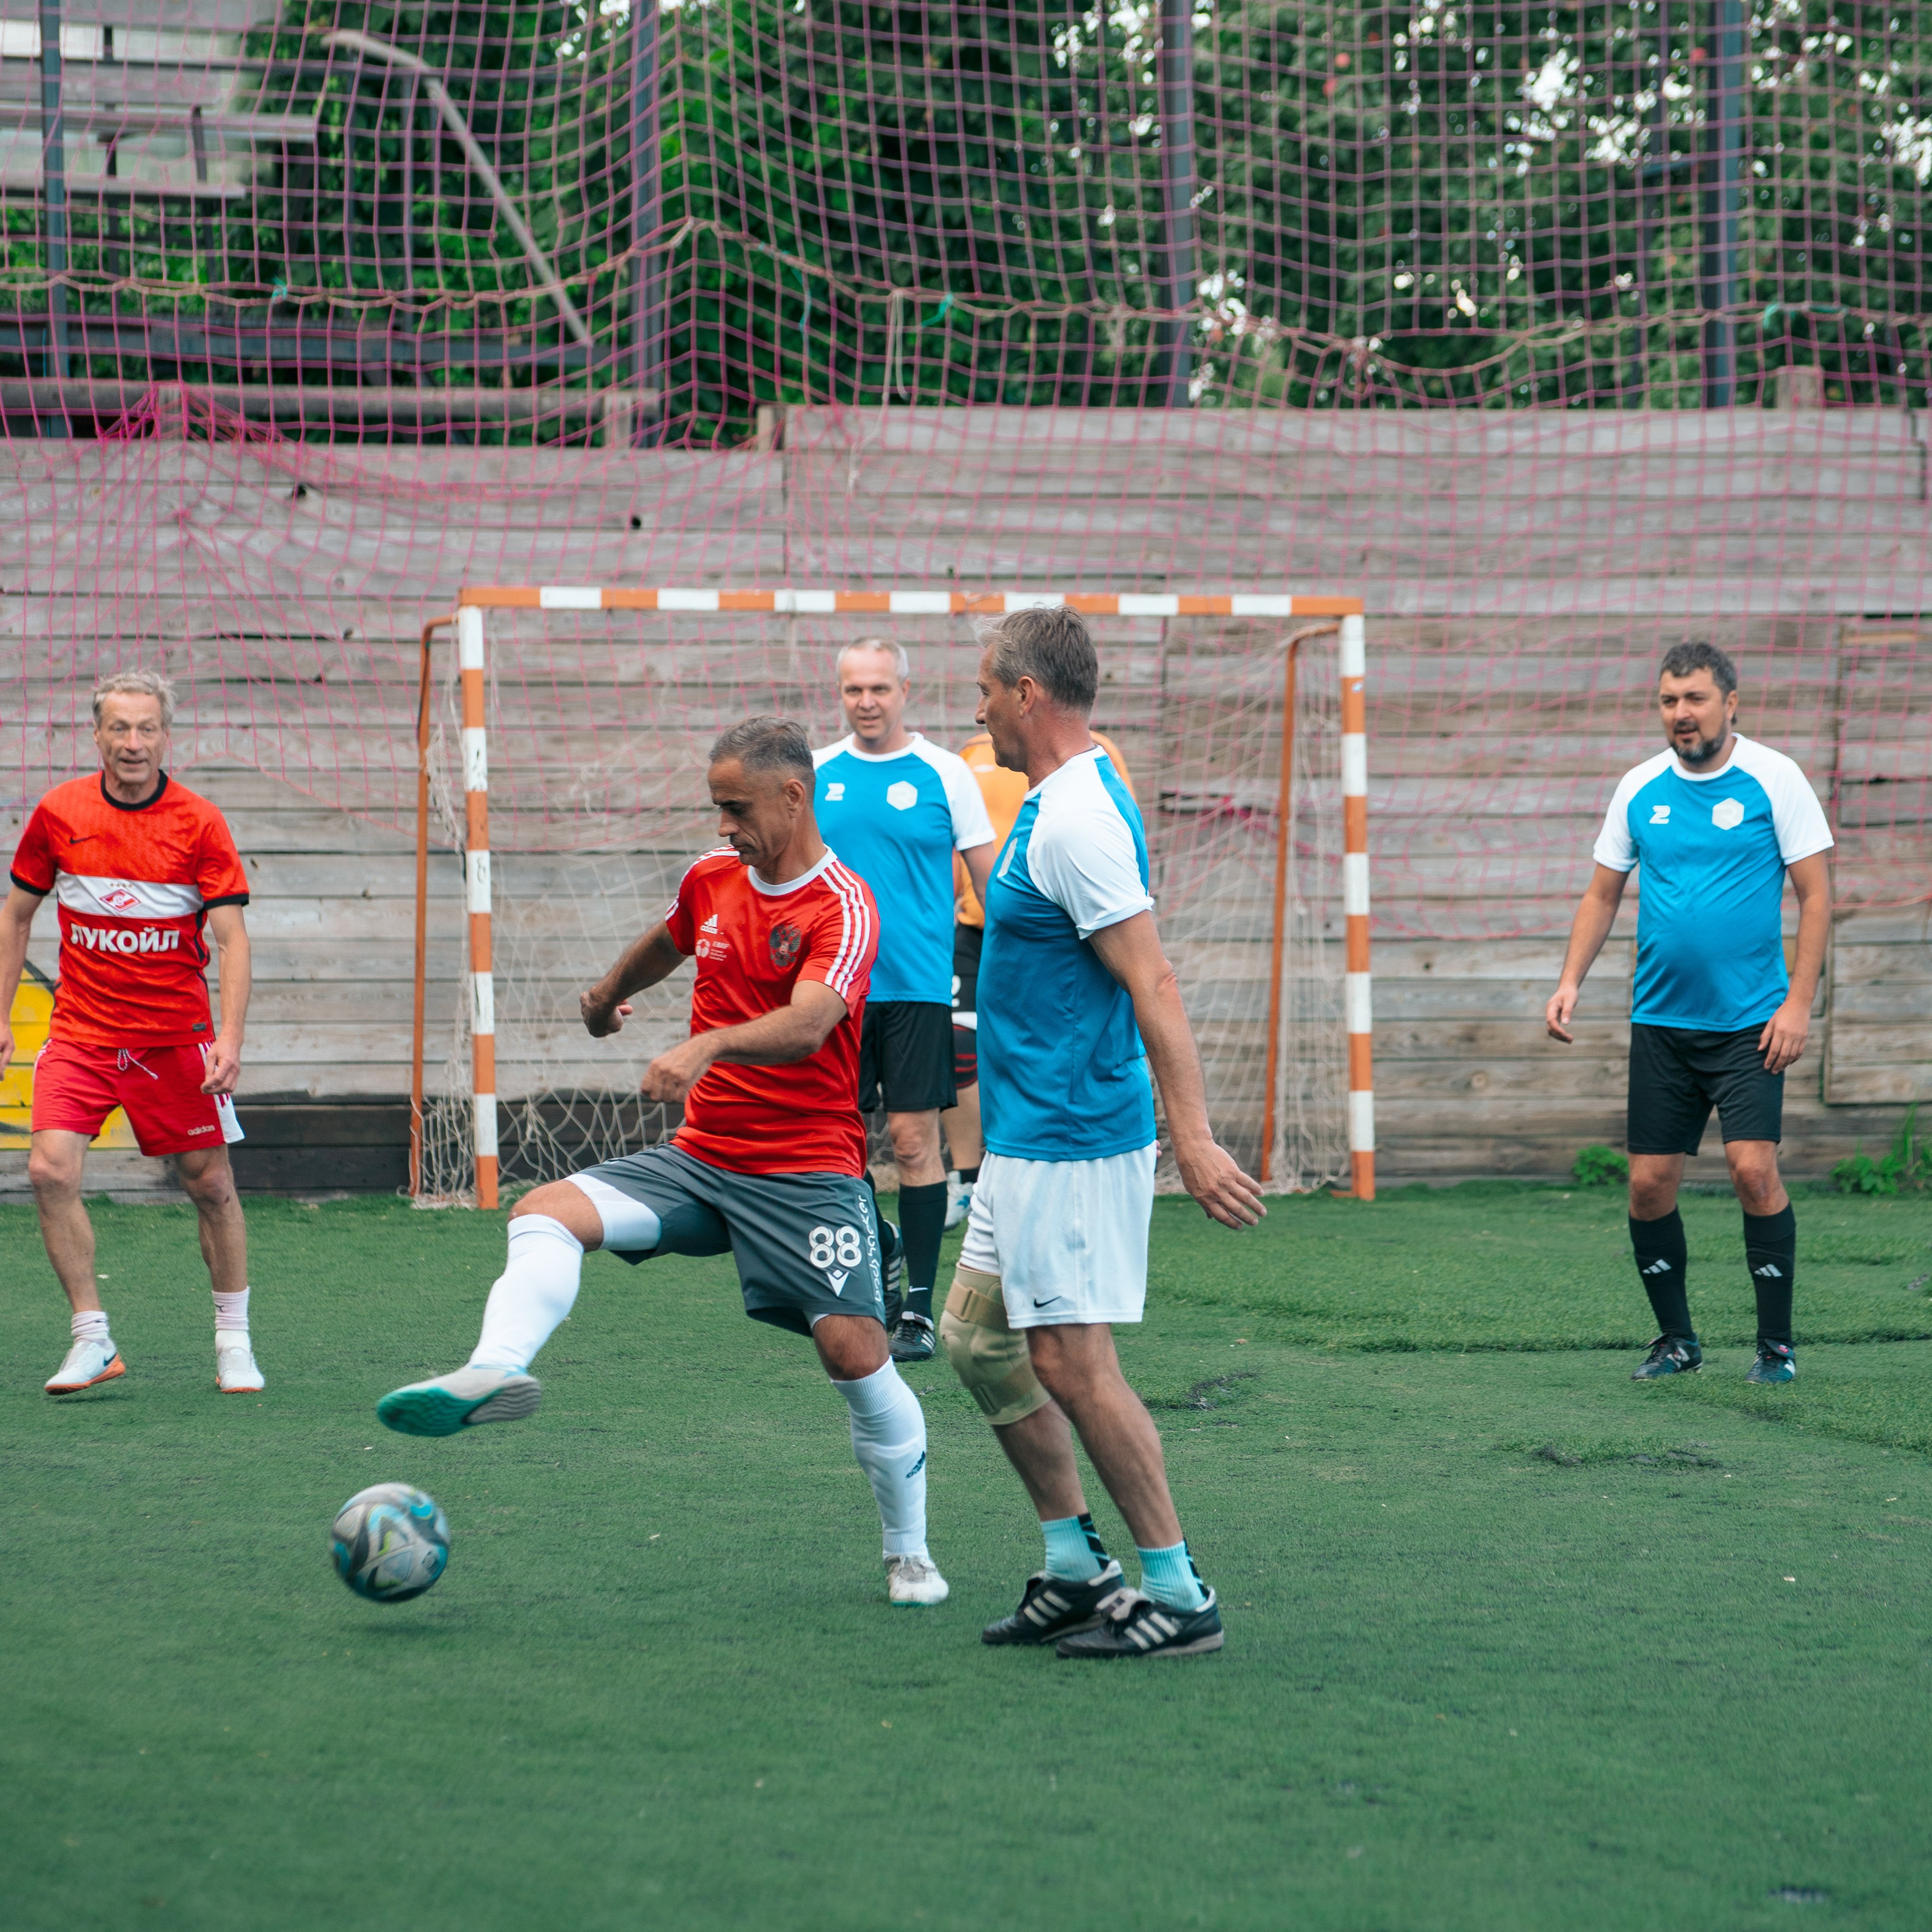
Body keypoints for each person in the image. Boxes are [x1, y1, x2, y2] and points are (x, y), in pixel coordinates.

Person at [377, 716, 949, 1607]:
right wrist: (608, 997)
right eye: (716, 807)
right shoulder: (712, 877)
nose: (723, 826)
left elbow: (811, 1024)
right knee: (544, 1211)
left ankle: (908, 1551)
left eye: (736, 807)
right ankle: (493, 1366)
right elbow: (670, 936)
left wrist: (707, 1047)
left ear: (792, 797)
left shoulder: (843, 902)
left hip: (807, 1173)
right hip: (701, 1159)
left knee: (854, 1356)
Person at [937, 607, 1265, 1660]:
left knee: (1076, 1364)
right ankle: (1078, 1568)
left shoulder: (1078, 817)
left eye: (987, 685)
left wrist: (1195, 1135)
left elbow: (1152, 977)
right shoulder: (1055, 800)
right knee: (978, 1341)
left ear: (1027, 694)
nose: (976, 703)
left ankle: (1178, 1591)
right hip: (1028, 1137)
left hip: (1073, 1139)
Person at [1546, 640, 1833, 1386]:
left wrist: (1798, 1004)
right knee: (1646, 1186)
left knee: (1752, 1170)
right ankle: (1675, 1340)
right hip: (1662, 1026)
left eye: (1695, 698)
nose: (1681, 713)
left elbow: (1817, 896)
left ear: (1729, 702)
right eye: (1669, 700)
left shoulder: (1776, 778)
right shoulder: (1640, 787)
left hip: (1751, 1025)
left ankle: (1775, 1347)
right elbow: (1601, 892)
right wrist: (1569, 978)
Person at [0, 669, 258, 1396]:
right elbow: (15, 915)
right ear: (98, 735)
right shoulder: (59, 813)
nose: (133, 742)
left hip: (175, 1040)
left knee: (209, 1185)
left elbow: (234, 940)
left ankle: (233, 1341)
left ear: (166, 736)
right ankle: (91, 1339)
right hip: (80, 1033)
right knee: (49, 1170)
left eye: (147, 728)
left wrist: (229, 1040)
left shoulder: (200, 822)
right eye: (120, 728)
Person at [814, 640, 995, 1365]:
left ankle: (916, 1311)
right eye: (854, 689)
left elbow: (993, 880)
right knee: (839, 1147)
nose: (866, 701)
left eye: (880, 688)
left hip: (919, 987)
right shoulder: (816, 776)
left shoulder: (946, 773)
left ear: (905, 690)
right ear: (840, 692)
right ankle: (878, 1259)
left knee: (916, 1142)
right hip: (834, 992)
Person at [943, 725, 1137, 1231]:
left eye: (989, 690)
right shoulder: (971, 756)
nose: (981, 708)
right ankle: (968, 1179)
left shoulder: (1098, 756)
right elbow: (954, 839)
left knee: (1045, 1044)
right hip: (975, 928)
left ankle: (1062, 1163)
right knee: (959, 1043)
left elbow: (1120, 834)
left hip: (1048, 939)